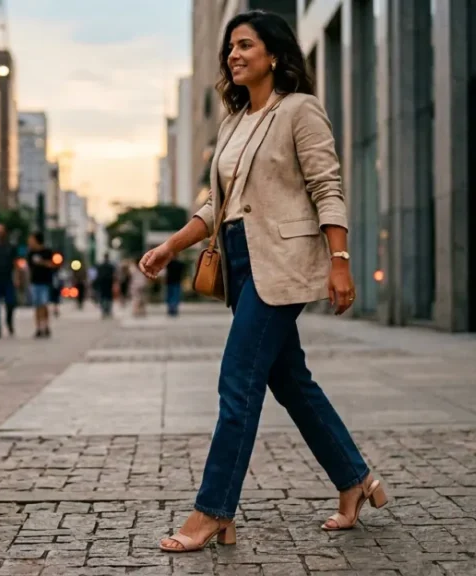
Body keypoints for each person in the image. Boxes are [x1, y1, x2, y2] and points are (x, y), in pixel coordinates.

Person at [139, 11, 387, 553]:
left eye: (245, 45)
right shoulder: (232, 123)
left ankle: (212, 510)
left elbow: (327, 185)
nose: (234, 54)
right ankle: (355, 481)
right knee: (290, 381)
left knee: (238, 382)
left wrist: (339, 260)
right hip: (240, 263)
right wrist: (170, 247)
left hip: (283, 262)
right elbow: (216, 204)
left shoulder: (300, 110)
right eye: (230, 47)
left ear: (273, 54)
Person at [26, 231, 57, 338]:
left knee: (44, 304)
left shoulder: (47, 252)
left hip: (45, 282)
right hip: (35, 282)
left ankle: (46, 326)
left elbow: (53, 264)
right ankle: (38, 328)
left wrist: (41, 262)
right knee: (37, 305)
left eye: (31, 240)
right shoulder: (30, 253)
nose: (29, 242)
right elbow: (29, 268)